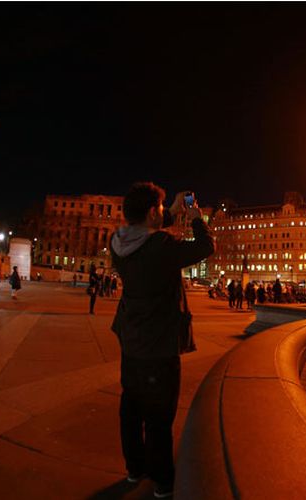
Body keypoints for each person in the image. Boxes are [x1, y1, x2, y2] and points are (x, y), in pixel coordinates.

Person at [110, 182, 214, 498]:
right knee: (159, 417)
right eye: (158, 208)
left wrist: (170, 212)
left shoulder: (118, 242)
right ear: (151, 212)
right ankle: (163, 482)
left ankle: (133, 468)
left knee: (131, 406)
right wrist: (196, 216)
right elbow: (205, 247)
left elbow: (145, 229)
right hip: (159, 343)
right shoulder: (161, 247)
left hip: (131, 338)